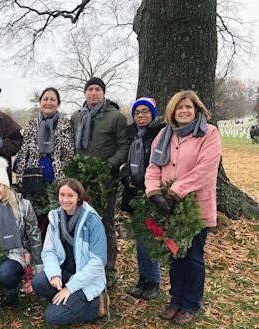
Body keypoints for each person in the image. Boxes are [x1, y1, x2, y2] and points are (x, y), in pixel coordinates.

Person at [145, 90, 221, 325]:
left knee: (193, 257)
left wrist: (175, 192)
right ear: (172, 112)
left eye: (188, 107)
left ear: (197, 109)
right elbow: (153, 167)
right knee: (175, 254)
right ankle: (175, 300)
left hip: (195, 206)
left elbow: (206, 169)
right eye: (179, 108)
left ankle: (190, 304)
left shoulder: (209, 133)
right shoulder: (164, 135)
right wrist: (154, 193)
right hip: (168, 207)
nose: (184, 111)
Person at [71, 77, 130, 288]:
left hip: (105, 180)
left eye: (97, 89)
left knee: (105, 224)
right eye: (90, 89)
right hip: (81, 181)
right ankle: (84, 266)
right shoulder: (77, 117)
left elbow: (124, 147)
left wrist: (108, 166)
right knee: (81, 224)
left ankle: (109, 269)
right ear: (85, 93)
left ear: (103, 93)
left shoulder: (115, 117)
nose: (93, 93)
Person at [31, 178, 110, 325]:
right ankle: (67, 303)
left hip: (85, 280)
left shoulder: (92, 221)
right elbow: (49, 251)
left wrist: (70, 287)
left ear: (79, 196)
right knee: (38, 282)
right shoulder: (55, 217)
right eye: (62, 195)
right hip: (64, 273)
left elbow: (98, 263)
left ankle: (97, 305)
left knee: (53, 317)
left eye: (70, 196)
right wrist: (54, 274)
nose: (65, 200)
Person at [0, 157, 43, 308]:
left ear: (6, 185)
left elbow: (34, 235)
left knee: (4, 273)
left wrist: (38, 264)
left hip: (16, 254)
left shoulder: (23, 206)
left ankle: (12, 290)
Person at [119, 97, 165, 300]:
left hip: (150, 194)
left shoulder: (159, 134)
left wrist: (138, 179)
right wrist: (125, 176)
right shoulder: (131, 135)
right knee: (139, 238)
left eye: (145, 111)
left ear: (152, 114)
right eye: (137, 112)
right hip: (133, 194)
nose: (141, 115)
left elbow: (159, 162)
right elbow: (125, 160)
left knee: (150, 237)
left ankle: (154, 279)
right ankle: (142, 278)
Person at [15, 87, 75, 183]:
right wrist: (20, 178)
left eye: (52, 100)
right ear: (40, 102)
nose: (48, 103)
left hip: (58, 178)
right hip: (33, 176)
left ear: (58, 103)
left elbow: (69, 155)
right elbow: (23, 154)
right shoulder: (31, 125)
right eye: (45, 99)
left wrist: (65, 177)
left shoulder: (66, 125)